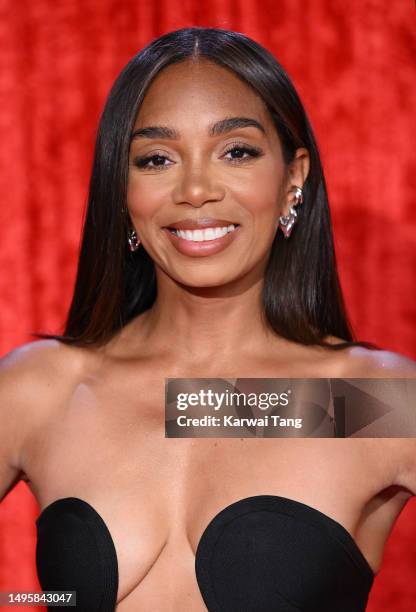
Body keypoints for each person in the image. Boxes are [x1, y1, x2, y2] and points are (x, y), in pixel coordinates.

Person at [1, 26, 415, 612]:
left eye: (236, 151)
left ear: (293, 177)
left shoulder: (363, 400)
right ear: (123, 189)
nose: (195, 189)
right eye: (156, 159)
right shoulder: (45, 388)